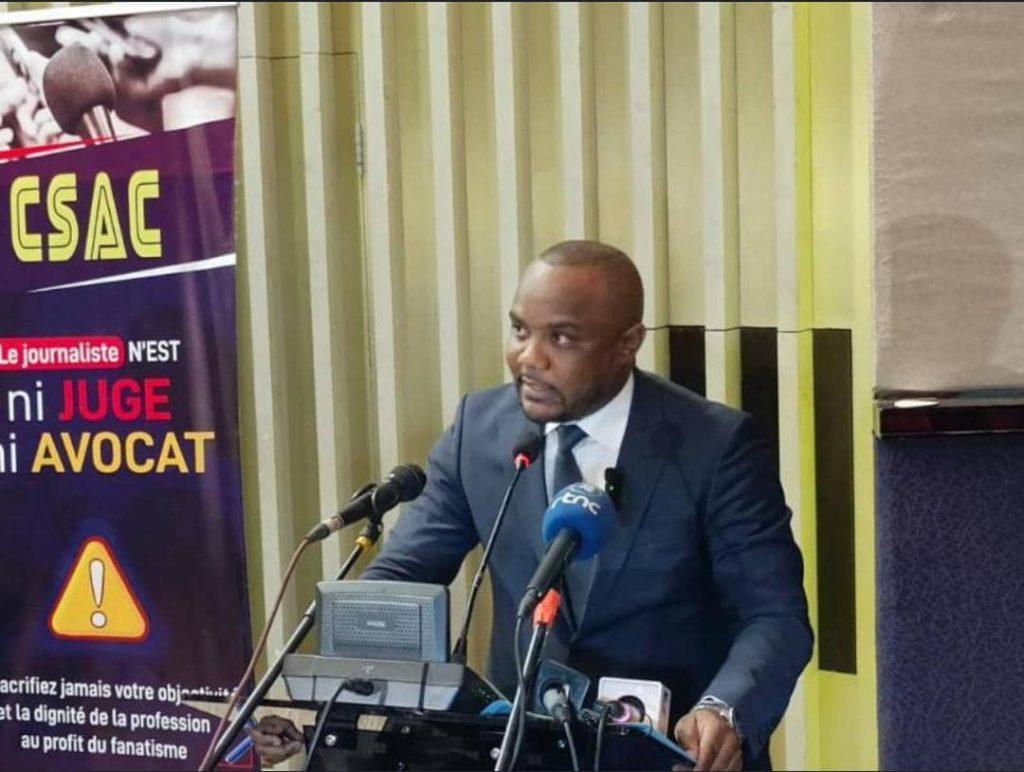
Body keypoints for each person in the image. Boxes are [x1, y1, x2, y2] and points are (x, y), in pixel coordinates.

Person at [252, 240, 812, 771]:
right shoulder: (480, 430)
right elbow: (402, 579)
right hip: (517, 749)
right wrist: (321, 705)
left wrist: (723, 710)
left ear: (627, 342)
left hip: (667, 755)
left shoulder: (715, 446)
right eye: (520, 330)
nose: (528, 357)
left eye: (561, 338)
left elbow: (774, 616)